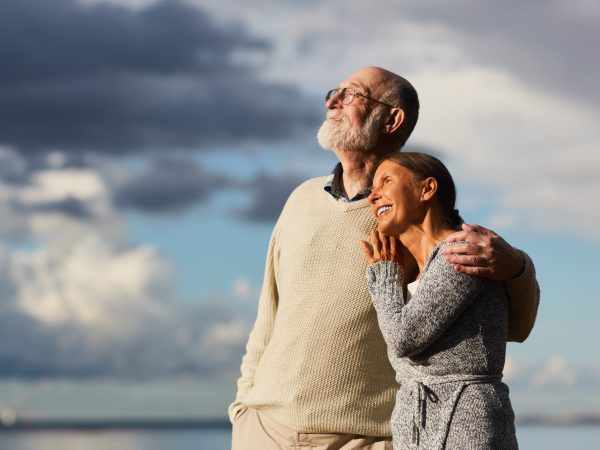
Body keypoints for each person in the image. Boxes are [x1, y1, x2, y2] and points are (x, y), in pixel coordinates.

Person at [230, 66, 539, 450]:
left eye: (351, 95)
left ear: (392, 119)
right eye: (334, 92)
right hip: (264, 430)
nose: (332, 102)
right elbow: (269, 311)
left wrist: (518, 267)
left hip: (367, 438)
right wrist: (243, 408)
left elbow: (510, 327)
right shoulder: (300, 199)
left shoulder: (413, 217)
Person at [361, 152, 518, 449]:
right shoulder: (422, 269)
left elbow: (403, 337)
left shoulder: (461, 252)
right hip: (419, 425)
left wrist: (383, 278)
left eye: (386, 181)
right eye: (371, 188)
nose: (373, 195)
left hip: (465, 422)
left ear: (427, 189)